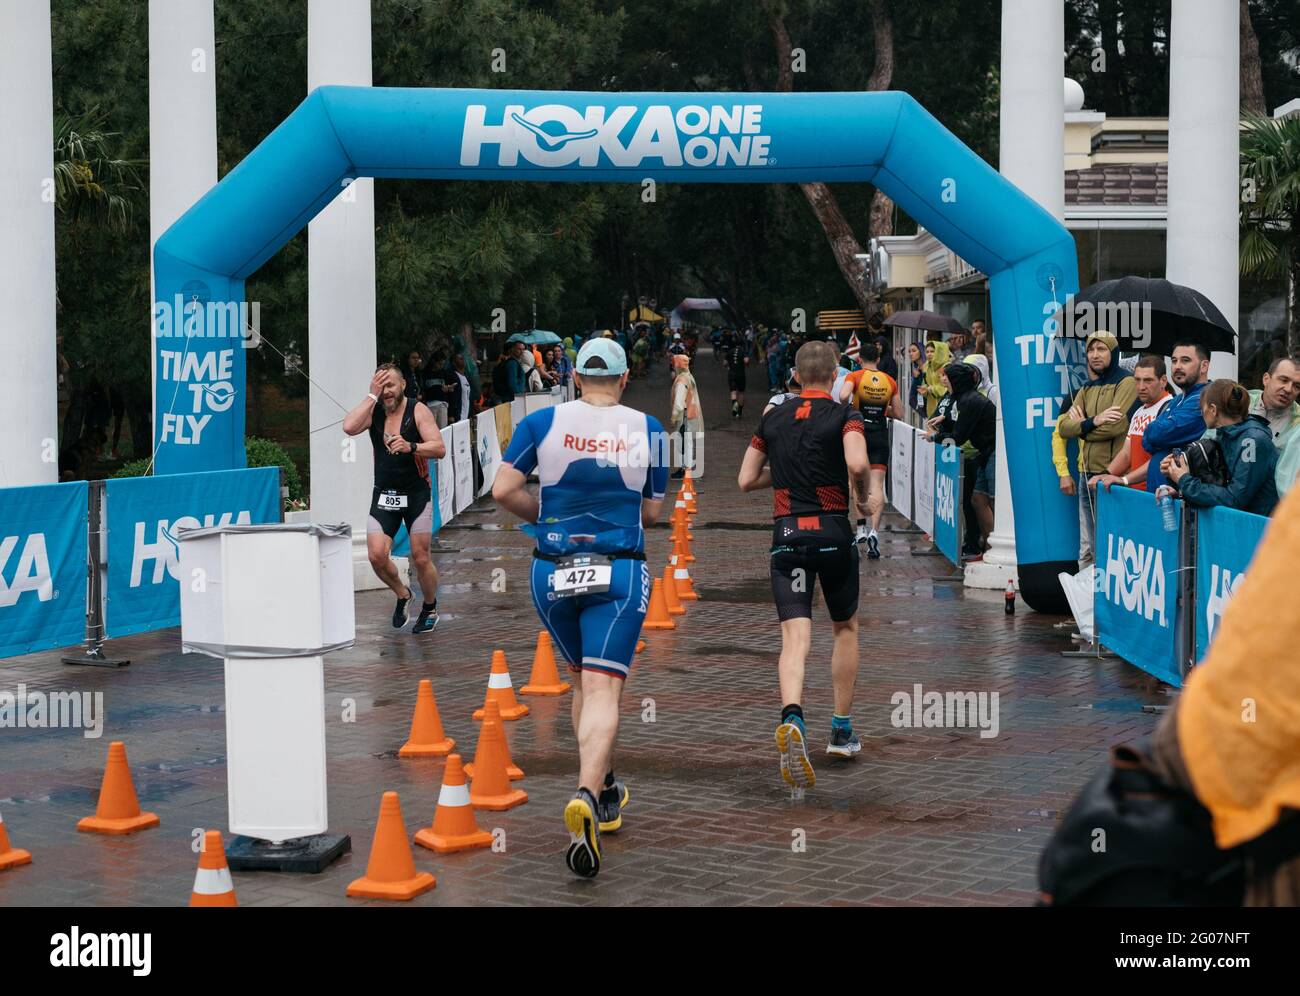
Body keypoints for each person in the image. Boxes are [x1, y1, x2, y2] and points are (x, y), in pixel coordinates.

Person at [493, 338, 666, 879]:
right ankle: (588, 795)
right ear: (623, 377)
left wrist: (546, 516)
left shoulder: (542, 423)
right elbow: (655, 511)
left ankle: (606, 788)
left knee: (580, 682)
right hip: (618, 568)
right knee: (604, 686)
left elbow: (502, 490)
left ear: (576, 377)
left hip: (552, 569)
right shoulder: (650, 430)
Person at [738, 341, 870, 787]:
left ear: (794, 376)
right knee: (844, 628)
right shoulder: (844, 415)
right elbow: (856, 461)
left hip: (788, 537)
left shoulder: (771, 419)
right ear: (835, 374)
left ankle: (792, 717)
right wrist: (864, 493)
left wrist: (788, 469)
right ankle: (841, 730)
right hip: (832, 535)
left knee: (795, 637)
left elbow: (744, 480)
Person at [343, 363, 446, 634]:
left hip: (416, 494)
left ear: (402, 385)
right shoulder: (374, 411)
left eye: (390, 385)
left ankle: (430, 607)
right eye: (381, 385)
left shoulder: (417, 410)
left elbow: (439, 448)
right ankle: (403, 594)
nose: (386, 391)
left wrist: (411, 446)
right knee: (376, 556)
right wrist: (371, 396)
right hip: (385, 495)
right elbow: (349, 427)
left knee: (420, 557)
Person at [1055, 331, 1137, 567]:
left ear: (1113, 352)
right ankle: (1092, 598)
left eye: (1101, 349)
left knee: (1110, 544)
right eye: (1090, 350)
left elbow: (1116, 427)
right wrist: (1094, 420)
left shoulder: (1127, 382)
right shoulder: (1087, 388)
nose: (1094, 355)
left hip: (1111, 476)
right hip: (1085, 475)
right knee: (1091, 545)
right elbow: (1063, 428)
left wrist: (1082, 425)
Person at [1164, 380, 1279, 516]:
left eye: (1202, 408)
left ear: (1213, 410)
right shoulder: (1225, 435)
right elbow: (1219, 489)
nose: (1202, 413)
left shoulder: (1252, 440)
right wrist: (1181, 489)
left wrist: (1184, 480)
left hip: (1257, 531)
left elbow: (1234, 498)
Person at [839, 342, 902, 556]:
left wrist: (854, 406)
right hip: (880, 433)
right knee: (877, 485)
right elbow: (900, 413)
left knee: (855, 481)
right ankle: (874, 532)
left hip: (858, 432)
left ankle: (860, 529)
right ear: (878, 359)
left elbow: (842, 396)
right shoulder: (890, 381)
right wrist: (882, 407)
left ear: (859, 360)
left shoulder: (855, 377)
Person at [1090, 355, 1171, 494]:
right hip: (1135, 493)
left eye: (1148, 380)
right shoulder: (1139, 411)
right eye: (1137, 380)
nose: (1141, 387)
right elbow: (1127, 453)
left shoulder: (1170, 408)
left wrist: (1125, 479)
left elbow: (1161, 458)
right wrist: (1105, 473)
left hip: (1158, 494)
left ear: (1163, 381)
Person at [1143, 340, 1211, 494]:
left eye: (1185, 360)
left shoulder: (1205, 398)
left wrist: (1157, 436)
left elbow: (1157, 434)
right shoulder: (1176, 400)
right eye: (1174, 361)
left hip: (1182, 503)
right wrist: (1156, 436)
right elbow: (1147, 441)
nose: (1177, 366)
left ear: (1204, 366)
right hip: (1159, 496)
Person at [1249, 356, 1300, 496]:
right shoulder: (1238, 403)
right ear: (1266, 379)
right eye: (1283, 380)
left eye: (1297, 386)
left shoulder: (1298, 425)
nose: (1289, 389)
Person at [670, 353, 704, 480]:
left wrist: (674, 417)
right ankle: (686, 467)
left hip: (684, 416)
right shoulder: (689, 376)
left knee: (683, 443)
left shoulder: (681, 380)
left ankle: (685, 469)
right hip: (690, 414)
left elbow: (679, 402)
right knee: (686, 442)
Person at [919, 340, 951, 418]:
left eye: (932, 351)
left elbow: (947, 387)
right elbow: (925, 383)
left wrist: (932, 389)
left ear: (938, 352)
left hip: (944, 405)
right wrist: (924, 390)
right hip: (931, 406)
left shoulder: (947, 367)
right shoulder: (926, 366)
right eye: (927, 352)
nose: (929, 354)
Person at [724, 329, 749, 418]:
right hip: (741, 374)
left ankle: (734, 404)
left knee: (733, 391)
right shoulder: (743, 352)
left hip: (731, 374)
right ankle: (740, 411)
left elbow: (725, 363)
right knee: (741, 392)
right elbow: (746, 361)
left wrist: (729, 365)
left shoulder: (730, 351)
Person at [905, 342, 926, 417]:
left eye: (914, 351)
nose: (911, 354)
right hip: (924, 409)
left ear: (921, 351)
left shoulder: (928, 368)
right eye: (909, 352)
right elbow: (912, 398)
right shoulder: (916, 370)